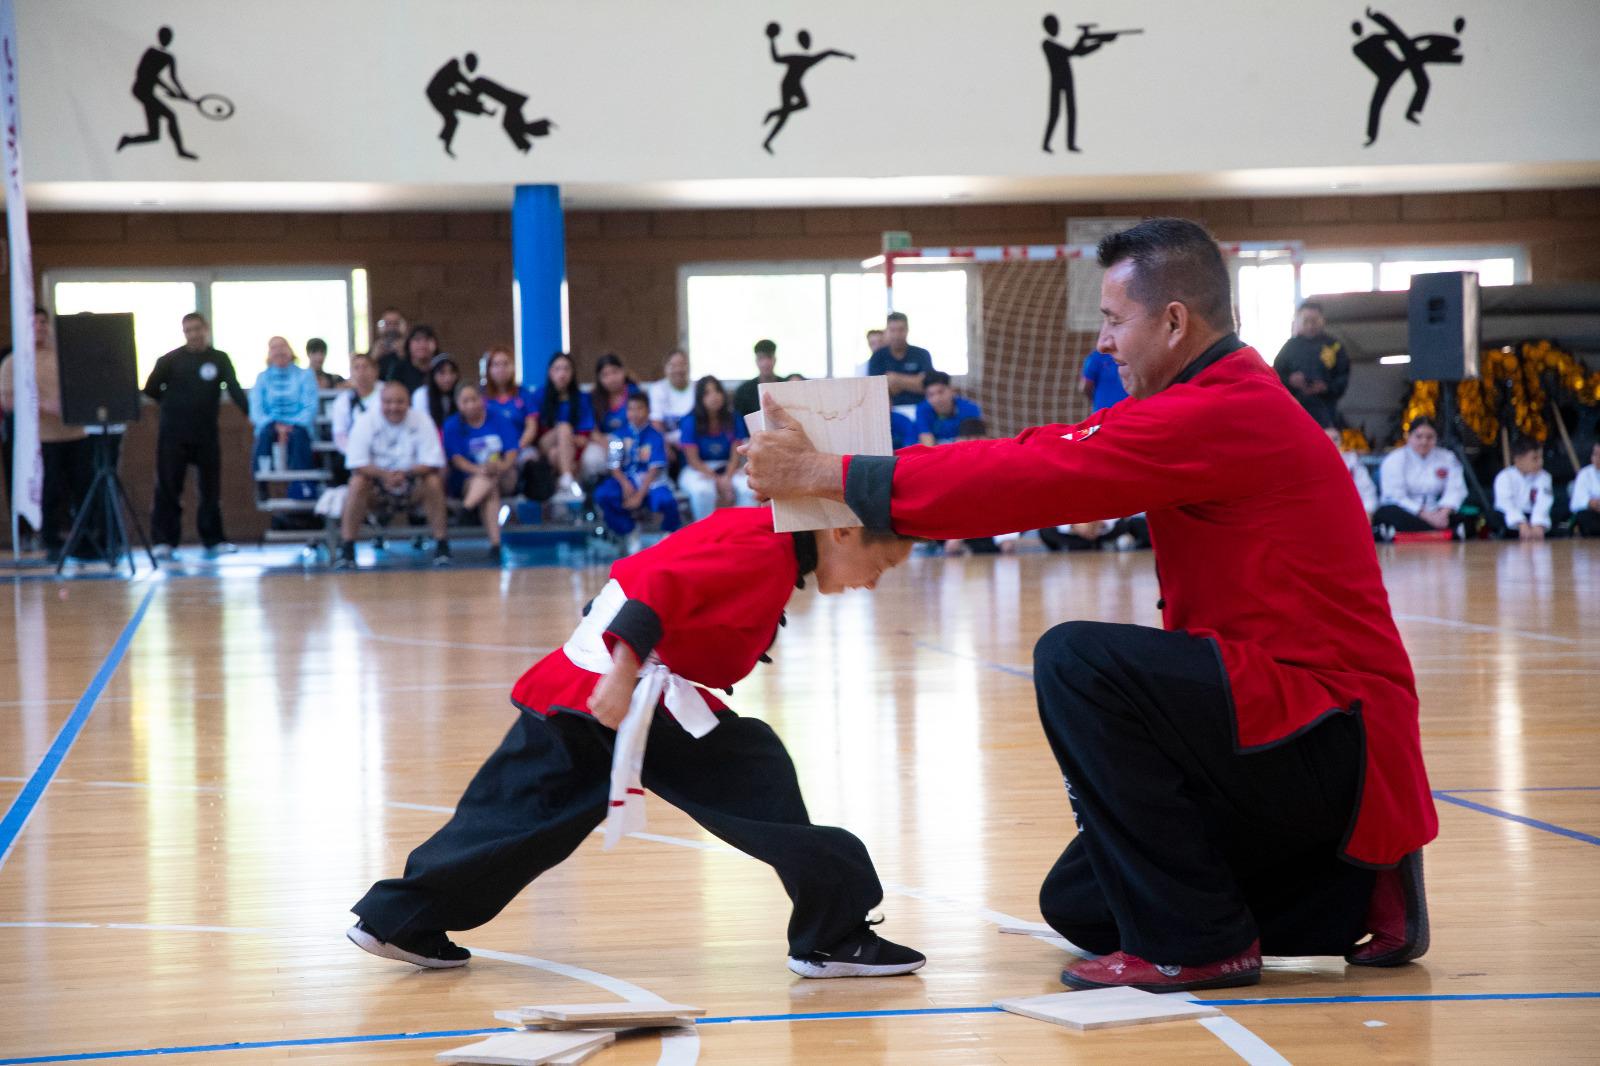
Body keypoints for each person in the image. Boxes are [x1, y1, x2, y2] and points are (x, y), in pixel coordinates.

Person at [744, 217, 1436, 991]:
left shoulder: (1220, 411)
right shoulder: (1215, 399)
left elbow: (1032, 474)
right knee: (1081, 902)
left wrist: (830, 473)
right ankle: (1352, 891)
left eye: (1113, 320)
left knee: (1078, 662)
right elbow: (1042, 456)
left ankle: (1199, 944)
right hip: (1297, 722)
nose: (1103, 343)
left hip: (1325, 726)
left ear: (1174, 322)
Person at [345, 505, 925, 978]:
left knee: (518, 809)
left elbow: (646, 575)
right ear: (843, 530)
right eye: (881, 564)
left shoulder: (762, 532)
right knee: (759, 771)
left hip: (586, 678)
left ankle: (399, 918)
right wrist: (622, 674)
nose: (873, 582)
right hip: (625, 690)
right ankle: (833, 937)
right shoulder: (765, 552)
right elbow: (656, 586)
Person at [141, 311, 249, 556]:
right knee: (168, 487)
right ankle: (164, 541)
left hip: (206, 434)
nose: (193, 335)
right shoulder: (169, 360)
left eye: (197, 329)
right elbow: (150, 389)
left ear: (206, 329)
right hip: (173, 434)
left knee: (211, 489)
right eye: (188, 330)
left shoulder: (219, 359)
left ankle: (214, 539)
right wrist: (172, 403)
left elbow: (234, 388)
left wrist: (251, 414)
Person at [0, 309, 93, 561]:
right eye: (34, 323)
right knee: (49, 490)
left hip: (76, 434)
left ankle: (85, 539)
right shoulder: (13, 362)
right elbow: (7, 402)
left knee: (83, 488)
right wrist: (42, 406)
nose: (40, 327)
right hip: (42, 438)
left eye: (43, 322)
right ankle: (50, 540)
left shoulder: (64, 358)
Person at [336, 380, 450, 569]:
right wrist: (384, 475)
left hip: (412, 482)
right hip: (376, 484)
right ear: (380, 402)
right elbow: (356, 463)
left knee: (433, 481)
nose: (394, 407)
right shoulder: (365, 421)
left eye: (399, 402)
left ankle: (442, 546)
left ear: (408, 402)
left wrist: (405, 474)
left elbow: (433, 462)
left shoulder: (422, 420)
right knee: (357, 482)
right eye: (388, 402)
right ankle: (347, 549)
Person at [443, 383, 522, 563]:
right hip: (470, 480)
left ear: (482, 400)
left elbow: (511, 452)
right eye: (465, 401)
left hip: (504, 475)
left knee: (491, 477)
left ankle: (466, 509)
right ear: (458, 404)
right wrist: (481, 470)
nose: (471, 405)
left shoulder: (499, 418)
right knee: (490, 487)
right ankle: (495, 545)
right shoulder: (452, 425)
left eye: (474, 399)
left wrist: (501, 466)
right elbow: (457, 460)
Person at [594, 392, 679, 543]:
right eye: (631, 409)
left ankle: (669, 537)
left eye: (640, 408)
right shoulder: (618, 435)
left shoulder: (656, 436)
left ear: (648, 410)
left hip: (652, 481)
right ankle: (629, 530)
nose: (635, 413)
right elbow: (614, 465)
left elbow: (654, 469)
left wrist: (639, 496)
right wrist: (625, 483)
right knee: (603, 495)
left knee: (666, 501)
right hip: (626, 478)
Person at [248, 337, 320, 500]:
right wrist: (276, 425)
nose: (279, 351)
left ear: (290, 350)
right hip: (270, 425)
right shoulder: (262, 378)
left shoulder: (305, 375)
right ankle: (262, 484)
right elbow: (256, 411)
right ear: (269, 353)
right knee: (265, 434)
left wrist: (290, 425)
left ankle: (301, 485)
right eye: (274, 347)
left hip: (298, 425)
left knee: (298, 435)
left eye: (282, 346)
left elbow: (310, 407)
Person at [482, 345, 555, 503]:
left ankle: (536, 502)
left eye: (505, 364)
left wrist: (516, 448)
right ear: (488, 369)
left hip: (520, 446)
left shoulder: (523, 394)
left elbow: (531, 426)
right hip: (490, 449)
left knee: (532, 459)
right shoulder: (482, 397)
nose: (501, 369)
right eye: (496, 364)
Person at [678, 376, 756, 522]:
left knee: (748, 488)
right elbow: (693, 460)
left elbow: (736, 454)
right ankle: (705, 532)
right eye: (707, 393)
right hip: (698, 469)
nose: (714, 396)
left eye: (717, 391)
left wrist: (727, 477)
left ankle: (742, 529)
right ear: (700, 398)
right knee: (703, 491)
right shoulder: (689, 420)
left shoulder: (734, 418)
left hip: (729, 467)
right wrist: (717, 480)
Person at [1374, 418, 1468, 537]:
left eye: (1429, 437)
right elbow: (1395, 495)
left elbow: (1456, 489)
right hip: (1406, 511)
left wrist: (1443, 513)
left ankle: (1430, 530)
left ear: (1436, 438)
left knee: (1468, 518)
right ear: (1409, 437)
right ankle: (1443, 531)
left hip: (1437, 511)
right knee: (1388, 514)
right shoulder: (1395, 459)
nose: (1424, 442)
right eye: (1418, 437)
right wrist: (1425, 515)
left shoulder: (1447, 457)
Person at [114, 26, 197, 160]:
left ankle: (128, 139)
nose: (167, 40)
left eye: (169, 38)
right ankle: (180, 150)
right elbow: (144, 73)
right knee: (171, 116)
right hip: (141, 91)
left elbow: (174, 78)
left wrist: (182, 93)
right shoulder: (151, 52)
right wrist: (170, 90)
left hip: (147, 94)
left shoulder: (169, 57)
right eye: (165, 37)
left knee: (154, 136)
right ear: (160, 37)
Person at [532, 351, 602, 496]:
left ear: (572, 372)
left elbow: (585, 433)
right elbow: (535, 430)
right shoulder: (538, 396)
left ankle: (564, 483)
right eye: (557, 369)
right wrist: (566, 435)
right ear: (550, 372)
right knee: (564, 427)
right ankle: (568, 477)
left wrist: (569, 439)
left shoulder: (582, 398)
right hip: (545, 443)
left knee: (556, 454)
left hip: (571, 447)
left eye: (566, 369)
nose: (562, 374)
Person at [1275, 301, 1349, 428]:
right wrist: (1290, 380)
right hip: (1295, 410)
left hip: (1326, 411)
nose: (1310, 325)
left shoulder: (1334, 346)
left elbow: (1343, 376)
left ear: (1322, 320)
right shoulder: (1289, 347)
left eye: (1314, 321)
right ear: (1299, 321)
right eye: (1306, 321)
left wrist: (1326, 387)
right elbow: (1275, 375)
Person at [867, 313, 936, 408]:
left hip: (920, 409)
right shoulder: (877, 357)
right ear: (886, 331)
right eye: (893, 330)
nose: (897, 335)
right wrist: (913, 382)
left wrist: (894, 379)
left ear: (907, 330)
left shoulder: (922, 354)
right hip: (889, 411)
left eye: (901, 330)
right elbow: (876, 390)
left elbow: (927, 386)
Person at [1492, 439, 1554, 541]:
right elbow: (1505, 503)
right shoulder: (1504, 477)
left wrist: (1538, 523)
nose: (1540, 462)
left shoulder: (1544, 477)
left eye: (1541, 458)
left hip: (1533, 516)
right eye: (1534, 458)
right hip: (1511, 517)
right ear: (1518, 460)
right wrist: (1520, 523)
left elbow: (1544, 502)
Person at [330, 352, 381, 455]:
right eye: (356, 368)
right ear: (351, 372)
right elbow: (340, 434)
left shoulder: (388, 394)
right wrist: (355, 454)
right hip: (355, 454)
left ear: (375, 370)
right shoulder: (342, 401)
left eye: (365, 367)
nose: (361, 372)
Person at [915, 372, 983, 446]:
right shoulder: (922, 410)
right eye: (931, 395)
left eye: (940, 392)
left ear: (952, 390)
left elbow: (971, 444)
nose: (937, 399)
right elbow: (927, 444)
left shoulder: (970, 409)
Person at [647, 349, 695, 449]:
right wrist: (665, 447)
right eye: (673, 366)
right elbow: (656, 422)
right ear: (665, 368)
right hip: (667, 445)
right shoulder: (657, 389)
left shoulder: (697, 388)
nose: (678, 370)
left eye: (682, 365)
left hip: (693, 445)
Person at [589, 352, 639, 447]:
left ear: (623, 371)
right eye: (605, 375)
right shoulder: (594, 398)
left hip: (631, 439)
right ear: (599, 378)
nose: (612, 378)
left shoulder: (635, 393)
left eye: (615, 372)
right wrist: (607, 446)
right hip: (604, 442)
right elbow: (592, 430)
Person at [1327, 427, 1378, 520]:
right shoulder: (1309, 463)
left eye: (1335, 439)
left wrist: (1367, 512)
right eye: (1326, 438)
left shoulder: (1351, 462)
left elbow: (1368, 492)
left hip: (1350, 516)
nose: (1331, 443)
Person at [381, 324, 438, 394]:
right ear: (409, 344)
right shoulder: (399, 369)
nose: (422, 345)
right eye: (417, 340)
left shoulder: (441, 367)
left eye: (427, 340)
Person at [733, 339, 782, 420]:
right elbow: (739, 421)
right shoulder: (743, 391)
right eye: (761, 358)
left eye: (769, 357)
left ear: (775, 359)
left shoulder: (785, 385)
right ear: (756, 361)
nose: (765, 362)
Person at [413, 355, 461, 436]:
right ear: (433, 375)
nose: (448, 378)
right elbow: (421, 426)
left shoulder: (460, 393)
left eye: (452, 372)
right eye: (442, 373)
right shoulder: (421, 394)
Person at [1080, 348, 1128, 412]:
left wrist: (1095, 401)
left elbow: (1084, 386)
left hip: (1104, 410)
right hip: (1131, 410)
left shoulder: (1097, 356)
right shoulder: (1132, 353)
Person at [1569, 440, 1600, 537]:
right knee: (1584, 516)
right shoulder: (1584, 474)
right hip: (1592, 513)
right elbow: (1577, 501)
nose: (1598, 458)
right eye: (1595, 454)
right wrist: (1591, 503)